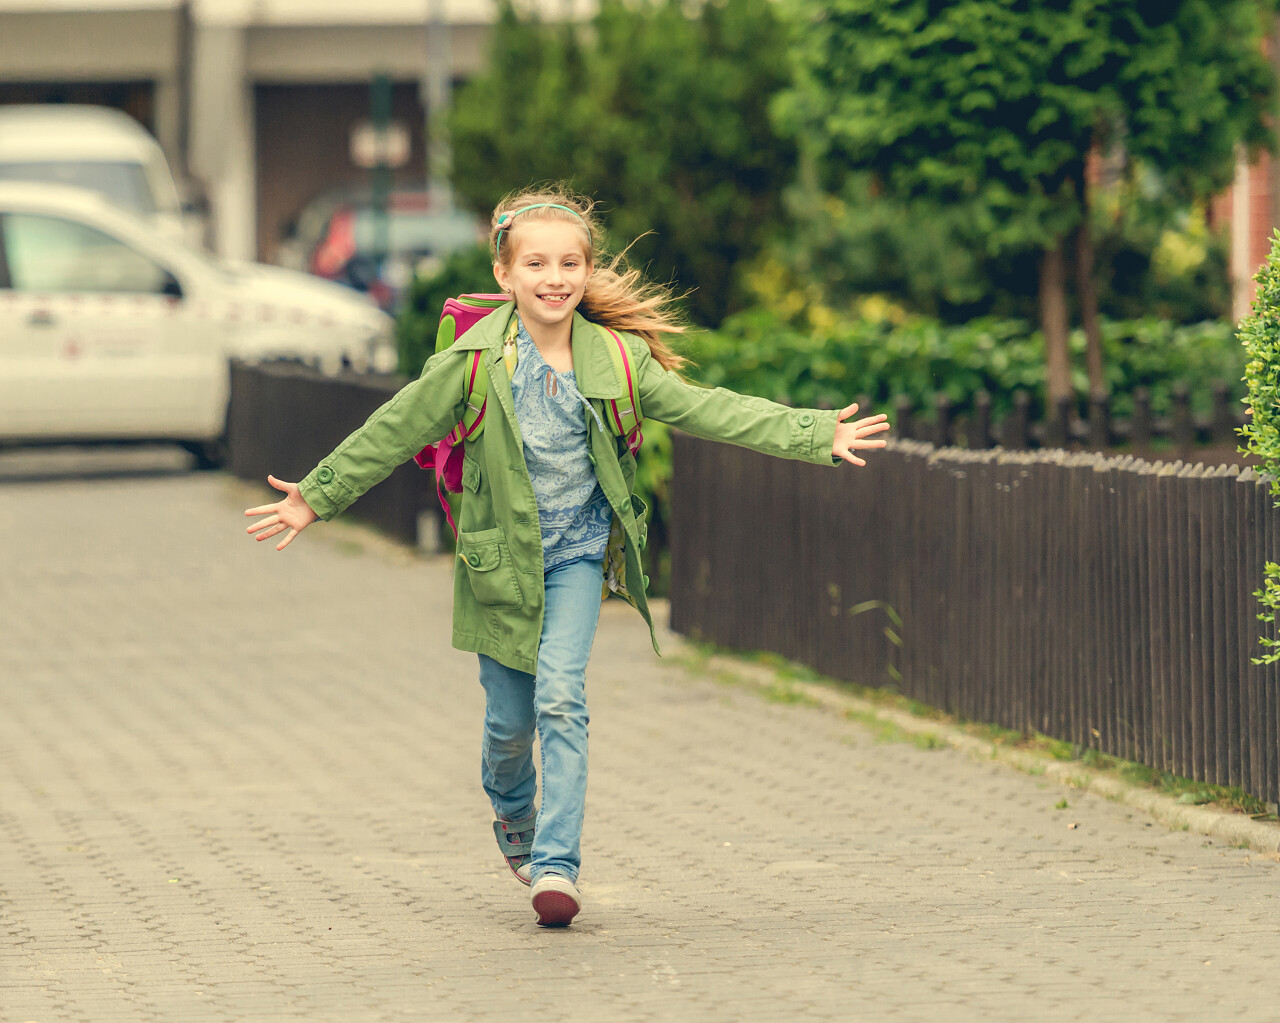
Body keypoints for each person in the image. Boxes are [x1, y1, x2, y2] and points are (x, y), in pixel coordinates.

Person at [244, 185, 890, 927]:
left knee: (561, 697)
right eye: (538, 263)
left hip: (578, 554)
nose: (555, 278)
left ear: (586, 272)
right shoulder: (472, 364)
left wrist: (814, 434)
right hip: (498, 565)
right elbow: (393, 429)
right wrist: (314, 496)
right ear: (505, 274)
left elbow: (709, 406)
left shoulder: (616, 360)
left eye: (570, 263)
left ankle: (556, 865)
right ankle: (513, 809)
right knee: (508, 725)